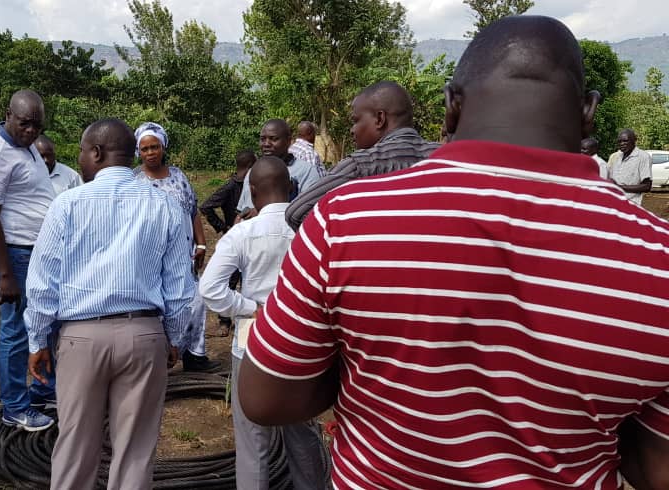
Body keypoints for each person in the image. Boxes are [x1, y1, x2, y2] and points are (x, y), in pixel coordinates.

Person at [238, 15, 669, 489]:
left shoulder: (345, 218)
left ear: (449, 106)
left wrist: (365, 365)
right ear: (588, 110)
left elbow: (265, 399)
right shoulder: (656, 255)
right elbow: (656, 468)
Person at [25, 118, 193, 489]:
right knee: (135, 449)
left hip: (80, 339)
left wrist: (37, 341)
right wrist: (173, 338)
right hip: (144, 333)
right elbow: (181, 288)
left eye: (83, 152)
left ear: (96, 153)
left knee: (75, 446)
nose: (81, 159)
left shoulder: (66, 204)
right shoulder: (165, 204)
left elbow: (42, 283)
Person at [199, 156, 328, 490]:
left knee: (252, 439)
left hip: (251, 344)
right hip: (301, 345)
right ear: (291, 189)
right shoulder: (311, 228)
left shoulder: (242, 233)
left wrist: (248, 307)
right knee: (302, 433)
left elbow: (210, 288)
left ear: (252, 192)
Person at [0, 89, 56, 431]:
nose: (31, 131)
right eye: (25, 123)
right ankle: (15, 406)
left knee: (40, 325)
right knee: (16, 332)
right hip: (16, 257)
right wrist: (5, 274)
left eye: (37, 125)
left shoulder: (25, 149)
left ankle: (39, 392)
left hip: (35, 254)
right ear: (8, 114)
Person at [285, 80, 440, 229]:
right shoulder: (445, 158)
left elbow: (296, 213)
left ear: (380, 119)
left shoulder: (359, 167)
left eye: (355, 120)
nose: (352, 130)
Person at [132, 121, 219, 372]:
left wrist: (201, 244)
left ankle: (194, 355)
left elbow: (192, 211)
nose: (150, 153)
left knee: (196, 300)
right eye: (145, 148)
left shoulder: (178, 176)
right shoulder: (135, 181)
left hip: (184, 252)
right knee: (158, 305)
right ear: (139, 151)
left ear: (163, 147)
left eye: (155, 147)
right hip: (150, 255)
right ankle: (159, 357)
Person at [199, 149, 255, 335]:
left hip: (250, 237)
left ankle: (245, 320)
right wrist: (223, 227)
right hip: (235, 238)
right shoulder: (231, 186)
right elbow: (206, 206)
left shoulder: (253, 184)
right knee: (229, 282)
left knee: (245, 280)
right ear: (249, 166)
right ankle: (224, 321)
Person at [236, 119, 321, 215]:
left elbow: (310, 212)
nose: (266, 144)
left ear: (288, 141)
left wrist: (263, 213)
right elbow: (242, 209)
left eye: (274, 139)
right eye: (263, 139)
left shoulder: (307, 171)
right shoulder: (253, 172)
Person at [607, 128, 652, 205]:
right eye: (619, 141)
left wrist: (619, 187)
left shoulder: (643, 157)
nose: (622, 143)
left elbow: (647, 186)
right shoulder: (616, 157)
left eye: (625, 141)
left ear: (634, 140)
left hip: (631, 204)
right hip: (614, 202)